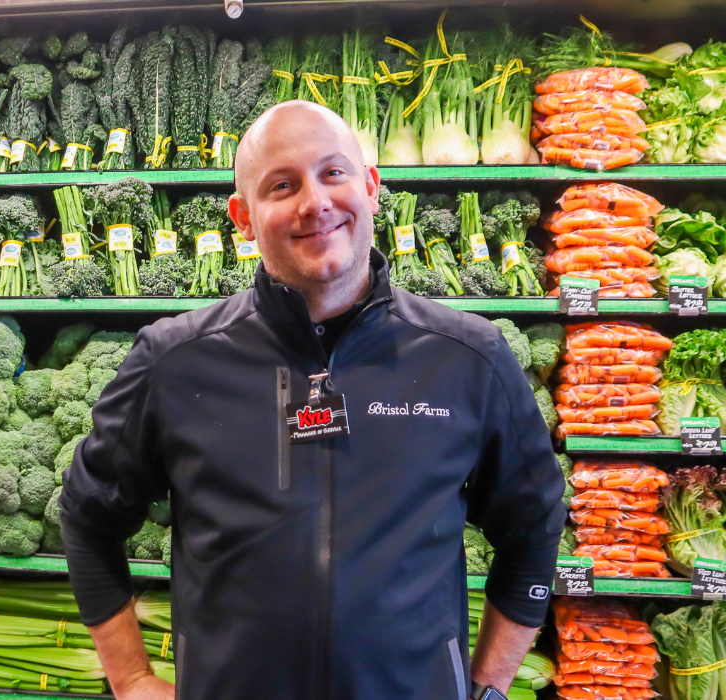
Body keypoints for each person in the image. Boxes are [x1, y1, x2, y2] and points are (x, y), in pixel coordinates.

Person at [59, 100, 564, 700]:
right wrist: (132, 678)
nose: (315, 202)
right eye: (282, 185)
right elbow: (88, 518)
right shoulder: (173, 361)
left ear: (371, 188)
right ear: (243, 218)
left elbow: (533, 525)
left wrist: (486, 687)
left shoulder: (470, 357)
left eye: (333, 173)